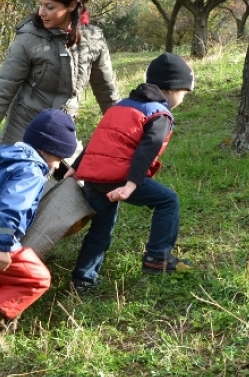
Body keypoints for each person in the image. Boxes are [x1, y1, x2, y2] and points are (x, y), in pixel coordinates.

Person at [66, 52, 196, 291]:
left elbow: (99, 139)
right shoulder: (159, 114)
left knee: (101, 229)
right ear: (170, 88)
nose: (183, 98)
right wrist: (131, 185)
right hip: (120, 178)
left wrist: (76, 167)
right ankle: (157, 257)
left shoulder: (120, 106)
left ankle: (83, 280)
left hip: (94, 178)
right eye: (184, 92)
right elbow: (145, 152)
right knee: (168, 201)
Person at [0, 109, 79, 351]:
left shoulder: (4, 160)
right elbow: (11, 206)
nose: (56, 166)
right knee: (37, 279)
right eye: (58, 159)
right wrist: (2, 246)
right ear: (46, 150)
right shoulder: (31, 171)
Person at [0, 0, 119, 160]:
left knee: (73, 179)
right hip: (23, 133)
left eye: (49, 7)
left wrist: (122, 132)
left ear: (72, 5)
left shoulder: (93, 39)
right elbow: (4, 88)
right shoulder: (29, 38)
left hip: (61, 135)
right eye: (41, 5)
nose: (41, 12)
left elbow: (106, 91)